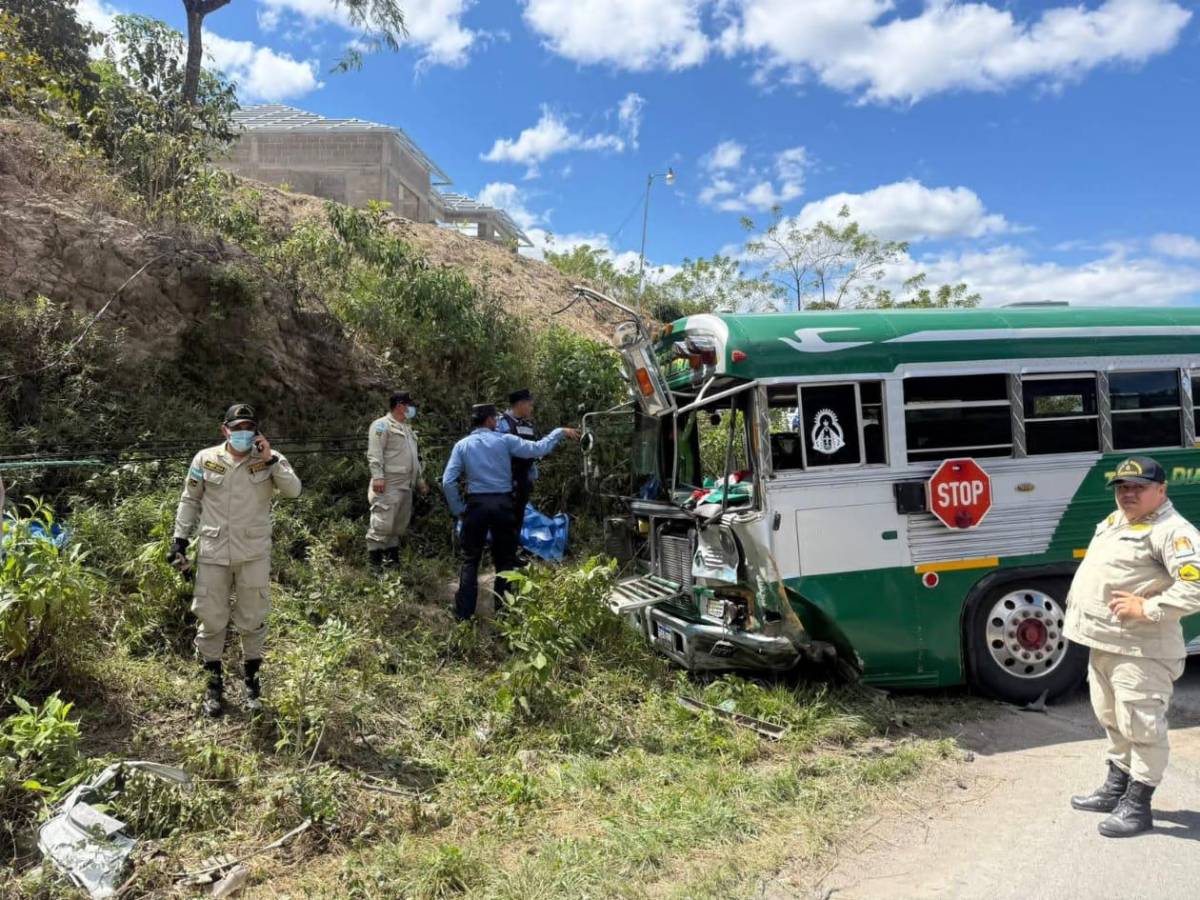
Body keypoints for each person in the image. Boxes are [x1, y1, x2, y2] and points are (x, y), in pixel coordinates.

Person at [1065, 455, 1200, 837]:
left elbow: (1196, 585)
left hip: (1143, 651)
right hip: (1105, 643)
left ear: (1161, 490)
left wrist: (1149, 607)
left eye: (1138, 487)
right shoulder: (1118, 521)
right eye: (1123, 487)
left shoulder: (1173, 532)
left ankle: (1138, 806)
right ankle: (1116, 787)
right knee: (1113, 719)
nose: (1128, 494)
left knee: (1142, 727)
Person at [170, 403, 302, 718]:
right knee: (211, 618)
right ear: (225, 429)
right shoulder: (205, 459)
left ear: (256, 431)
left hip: (253, 554)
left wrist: (271, 459)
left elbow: (294, 491)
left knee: (252, 618)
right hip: (214, 553)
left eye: (249, 428)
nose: (244, 433)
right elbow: (190, 500)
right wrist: (180, 539)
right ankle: (213, 686)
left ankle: (252, 682)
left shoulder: (270, 460)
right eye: (238, 427)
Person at [441, 403, 579, 621]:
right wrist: (559, 432)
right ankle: (504, 612)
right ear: (488, 421)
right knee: (504, 560)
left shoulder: (462, 446)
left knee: (471, 560)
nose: (497, 422)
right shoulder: (505, 441)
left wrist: (459, 510)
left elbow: (448, 482)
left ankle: (463, 614)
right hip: (503, 505)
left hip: (476, 506)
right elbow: (538, 448)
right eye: (494, 419)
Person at [366, 390, 427, 571]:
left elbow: (414, 458)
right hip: (388, 484)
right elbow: (374, 453)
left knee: (397, 527)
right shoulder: (382, 426)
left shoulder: (407, 430)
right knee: (381, 525)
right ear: (400, 405)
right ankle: (375, 567)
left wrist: (419, 480)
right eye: (409, 405)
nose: (412, 409)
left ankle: (393, 564)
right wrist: (377, 476)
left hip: (406, 485)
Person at [496, 388, 538, 549]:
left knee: (519, 516)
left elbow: (532, 450)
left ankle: (512, 553)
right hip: (507, 477)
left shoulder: (527, 424)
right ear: (520, 404)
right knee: (506, 519)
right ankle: (504, 557)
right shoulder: (502, 423)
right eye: (529, 405)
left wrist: (532, 475)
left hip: (523, 477)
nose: (531, 408)